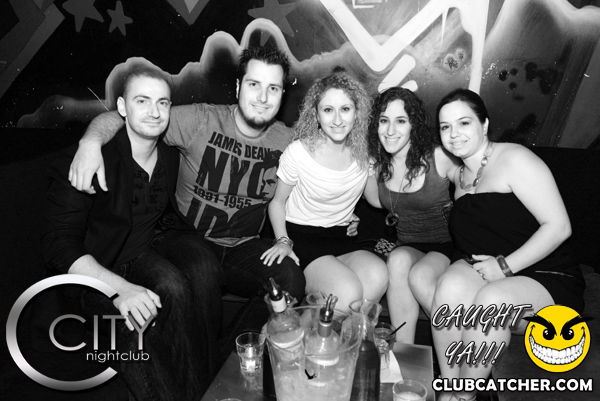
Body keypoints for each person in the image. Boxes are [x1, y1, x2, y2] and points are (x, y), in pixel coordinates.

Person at [66, 47, 306, 380]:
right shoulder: (199, 119)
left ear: (282, 94)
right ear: (239, 87)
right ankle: (208, 379)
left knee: (291, 278)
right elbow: (128, 118)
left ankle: (225, 366)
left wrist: (341, 217)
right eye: (254, 85)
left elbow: (325, 168)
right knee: (201, 268)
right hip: (187, 238)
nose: (263, 98)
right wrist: (90, 142)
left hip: (243, 246)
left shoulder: (289, 141)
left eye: (273, 88)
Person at [42, 67, 205, 399]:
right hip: (90, 271)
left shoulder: (170, 157)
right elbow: (58, 244)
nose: (154, 111)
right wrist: (120, 289)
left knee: (177, 287)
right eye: (142, 101)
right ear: (121, 106)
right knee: (129, 329)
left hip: (139, 256)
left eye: (162, 102)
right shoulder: (87, 160)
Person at [430, 88, 585, 401]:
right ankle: (450, 389)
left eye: (464, 123)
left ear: (484, 124)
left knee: (491, 303)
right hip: (492, 269)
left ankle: (465, 396)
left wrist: (504, 266)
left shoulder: (515, 159)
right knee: (448, 287)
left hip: (546, 274)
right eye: (446, 127)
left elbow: (559, 227)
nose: (454, 134)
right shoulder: (459, 176)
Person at [260, 68, 388, 312]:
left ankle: (336, 331)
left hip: (341, 237)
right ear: (316, 115)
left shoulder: (365, 154)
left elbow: (376, 199)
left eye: (345, 109)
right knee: (348, 292)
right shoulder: (299, 152)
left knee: (378, 274)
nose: (337, 119)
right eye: (328, 110)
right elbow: (277, 203)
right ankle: (315, 330)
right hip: (302, 238)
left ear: (357, 113)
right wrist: (283, 241)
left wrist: (410, 186)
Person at [363, 87, 460, 345]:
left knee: (419, 275)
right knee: (396, 260)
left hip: (447, 245)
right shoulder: (380, 167)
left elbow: (472, 187)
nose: (390, 130)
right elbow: (376, 200)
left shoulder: (439, 157)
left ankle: (462, 344)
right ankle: (403, 352)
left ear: (413, 125)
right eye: (384, 121)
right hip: (409, 245)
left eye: (400, 121)